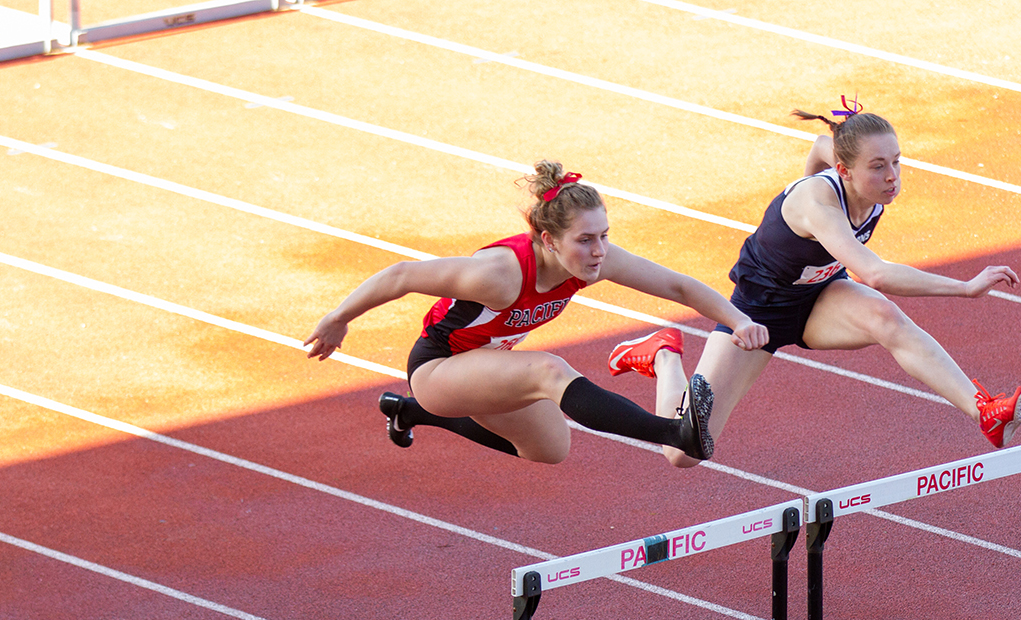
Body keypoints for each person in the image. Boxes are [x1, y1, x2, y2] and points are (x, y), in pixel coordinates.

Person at [609, 99, 1021, 469]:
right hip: (757, 314)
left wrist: (804, 176)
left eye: (897, 161)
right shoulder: (819, 207)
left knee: (885, 317)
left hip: (820, 297)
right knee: (683, 451)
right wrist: (963, 287)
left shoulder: (854, 175)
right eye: (878, 166)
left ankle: (985, 412)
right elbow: (876, 274)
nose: (892, 177)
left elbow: (819, 147)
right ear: (844, 170)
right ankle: (664, 354)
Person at [304, 162, 769, 464]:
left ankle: (409, 412)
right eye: (585, 240)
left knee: (549, 449)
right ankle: (676, 432)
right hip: (438, 369)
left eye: (604, 235)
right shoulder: (497, 275)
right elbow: (401, 274)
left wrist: (739, 320)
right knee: (550, 370)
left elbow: (677, 285)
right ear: (549, 241)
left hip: (489, 367)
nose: (599, 250)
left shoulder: (595, 262)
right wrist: (339, 317)